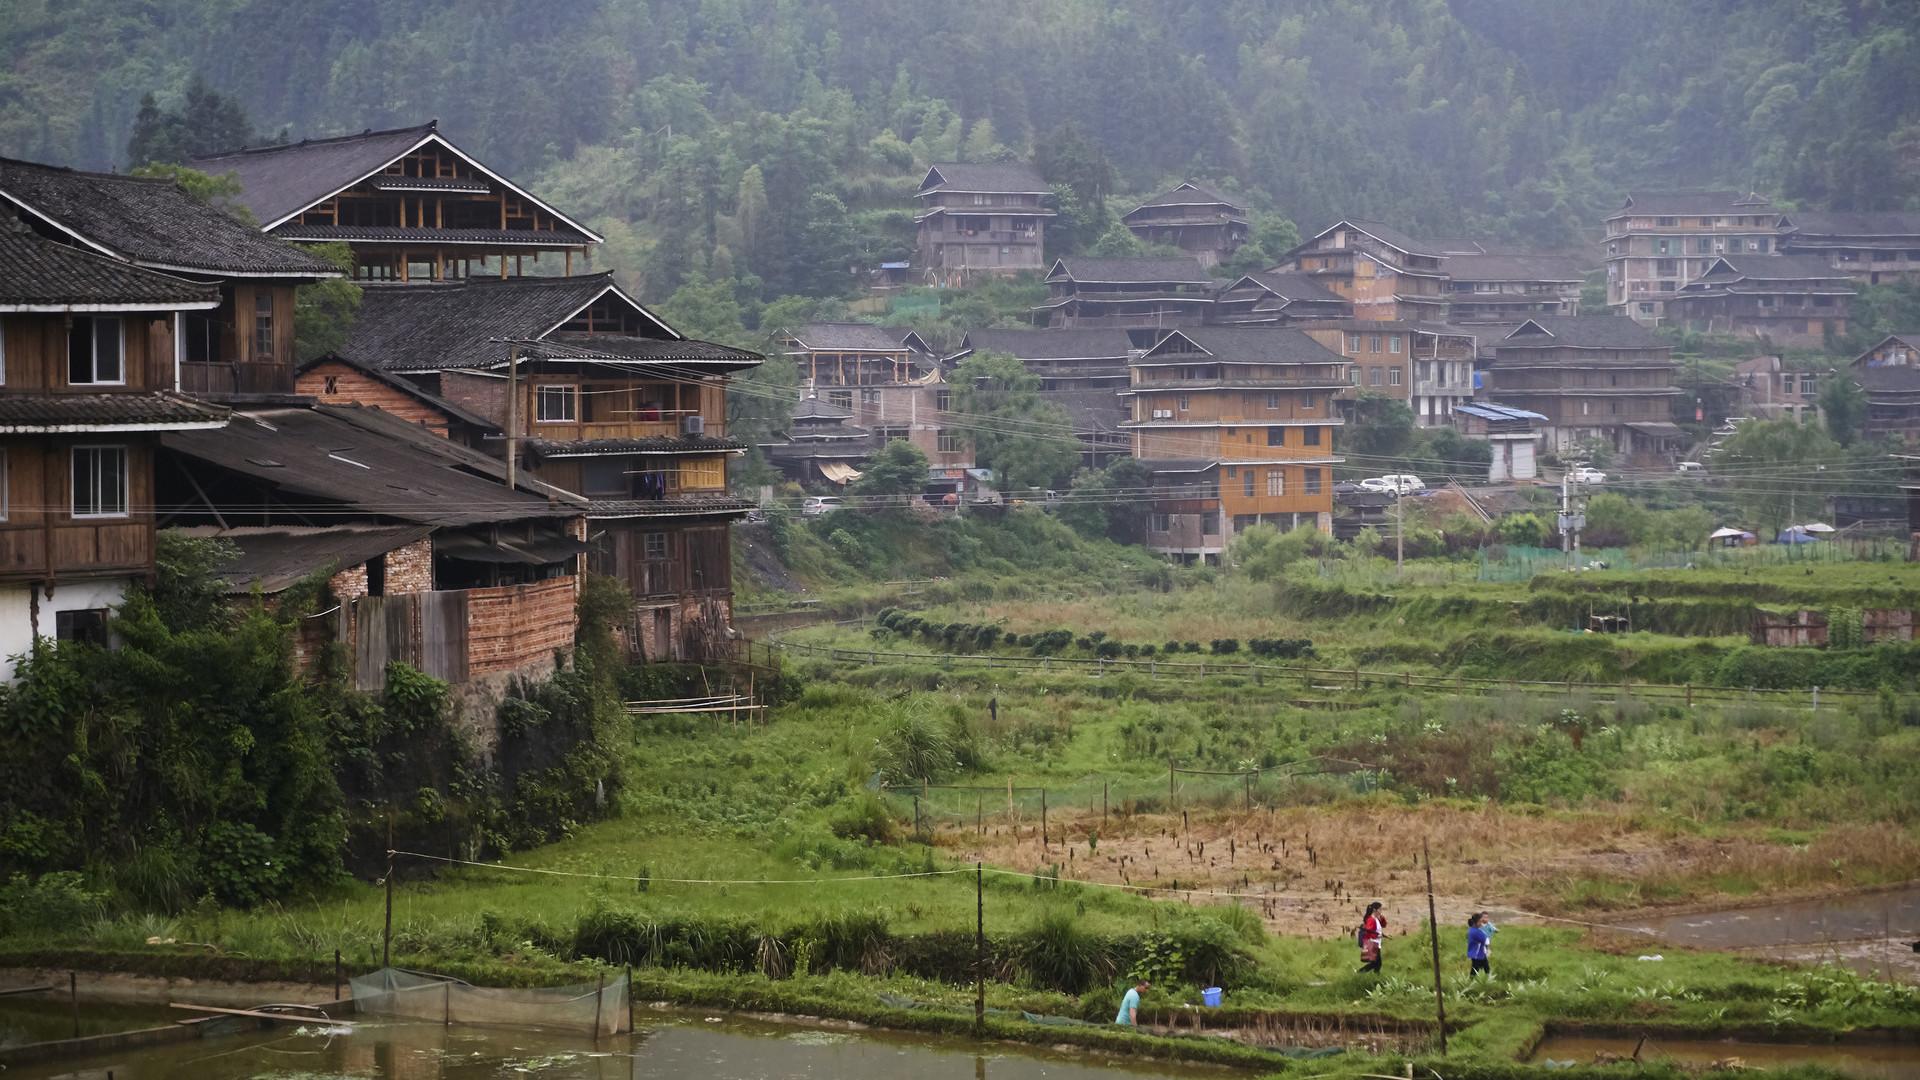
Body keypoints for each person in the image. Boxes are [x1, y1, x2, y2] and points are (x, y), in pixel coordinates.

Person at [1357, 901, 1386, 973]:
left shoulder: (1376, 919)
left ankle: (1375, 978)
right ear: (1375, 910)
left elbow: (1384, 925)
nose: (1381, 911)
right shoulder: (1371, 920)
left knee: (1376, 964)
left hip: (1376, 944)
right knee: (1376, 964)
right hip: (1373, 944)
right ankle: (1359, 973)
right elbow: (1368, 932)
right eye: (1380, 909)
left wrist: (1382, 917)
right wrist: (1378, 935)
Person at [1467, 912, 1492, 977]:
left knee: (1486, 968)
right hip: (1477, 955)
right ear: (1476, 922)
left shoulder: (1471, 930)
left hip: (1477, 954)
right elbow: (1486, 941)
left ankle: (1486, 981)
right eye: (1480, 921)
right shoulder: (1477, 932)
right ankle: (1471, 983)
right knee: (1476, 971)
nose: (1481, 923)